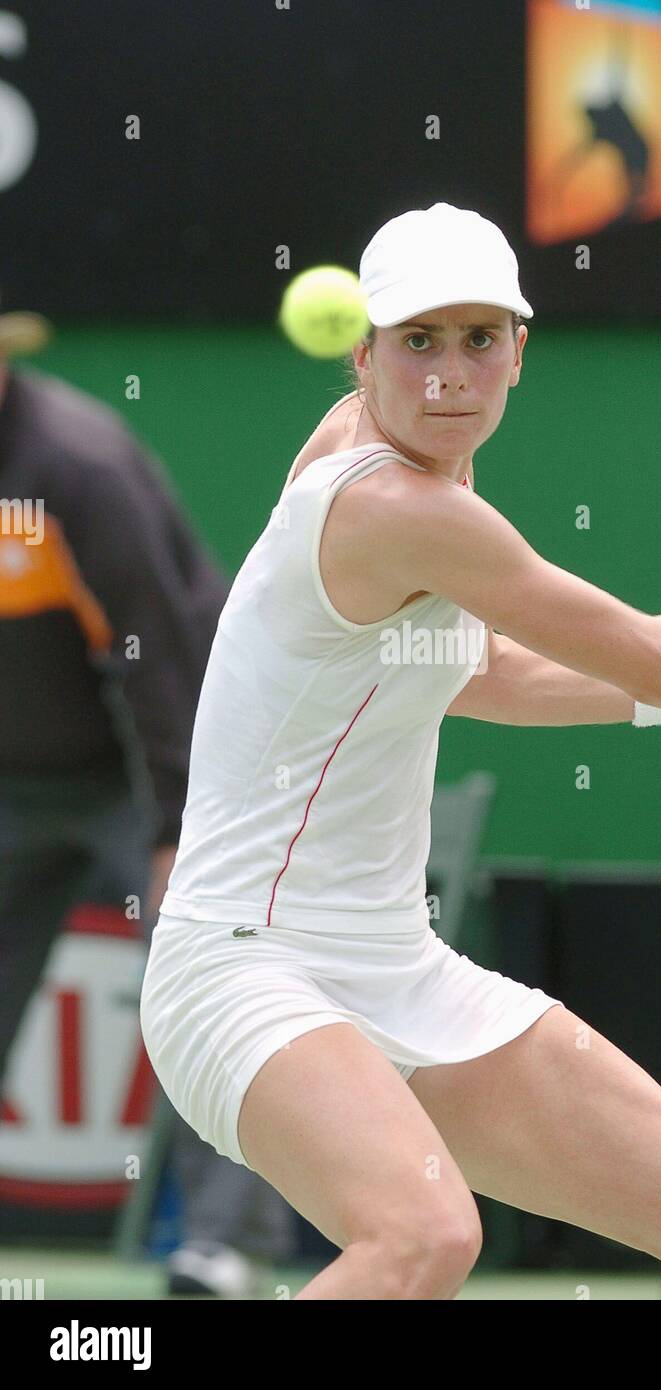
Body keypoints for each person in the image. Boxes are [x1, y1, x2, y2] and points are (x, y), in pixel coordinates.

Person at [139, 201, 661, 1300]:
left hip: (395, 967)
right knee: (423, 1236)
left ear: (519, 352)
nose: (450, 374)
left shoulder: (409, 457)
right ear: (366, 353)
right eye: (419, 342)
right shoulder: (397, 503)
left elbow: (479, 671)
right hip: (239, 970)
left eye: (479, 339)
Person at [0, 302, 291, 1294]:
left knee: (210, 985)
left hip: (155, 771)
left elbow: (158, 658)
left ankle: (229, 1246)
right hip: (13, 782)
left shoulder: (77, 468)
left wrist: (182, 825)